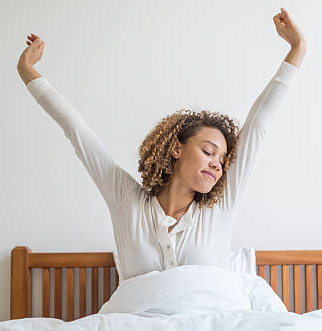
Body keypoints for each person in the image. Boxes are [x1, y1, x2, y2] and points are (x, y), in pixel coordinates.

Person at [17, 8, 307, 281]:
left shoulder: (220, 207)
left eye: (221, 158)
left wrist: (298, 49)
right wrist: (27, 70)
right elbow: (77, 130)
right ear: (177, 148)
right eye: (207, 151)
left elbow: (259, 124)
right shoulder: (126, 201)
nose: (217, 164)